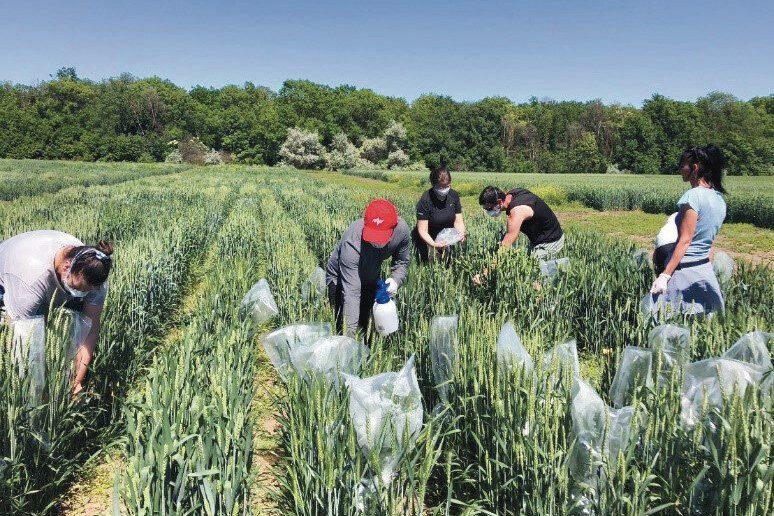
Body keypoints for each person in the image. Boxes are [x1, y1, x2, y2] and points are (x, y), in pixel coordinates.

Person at [0, 230, 113, 396]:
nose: (81, 294)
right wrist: (36, 394)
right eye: (76, 288)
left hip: (48, 278)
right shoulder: (30, 282)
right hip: (9, 276)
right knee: (17, 341)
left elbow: (90, 330)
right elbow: (24, 344)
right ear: (66, 267)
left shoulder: (93, 277)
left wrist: (76, 382)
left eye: (86, 291)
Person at [650, 145, 727, 315]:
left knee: (666, 324)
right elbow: (709, 240)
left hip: (684, 271)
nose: (680, 168)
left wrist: (665, 276)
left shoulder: (692, 197)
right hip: (704, 270)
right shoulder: (719, 198)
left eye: (683, 164)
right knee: (704, 325)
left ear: (695, 168)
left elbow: (685, 240)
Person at [326, 199, 410, 337]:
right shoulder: (352, 242)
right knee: (344, 324)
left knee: (367, 326)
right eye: (373, 234)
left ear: (393, 228)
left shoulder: (401, 231)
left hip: (371, 275)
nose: (376, 241)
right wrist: (349, 341)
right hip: (341, 278)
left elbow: (402, 262)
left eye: (381, 235)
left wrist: (396, 280)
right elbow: (351, 294)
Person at [473, 186, 564, 284]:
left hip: (550, 241)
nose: (488, 212)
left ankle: (552, 288)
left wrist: (485, 274)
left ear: (499, 202)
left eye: (489, 208)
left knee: (538, 279)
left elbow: (506, 246)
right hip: (539, 238)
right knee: (529, 269)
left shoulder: (517, 211)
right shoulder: (511, 194)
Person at [412, 165, 466, 262]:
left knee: (448, 264)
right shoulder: (425, 200)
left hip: (446, 237)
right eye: (441, 187)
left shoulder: (453, 195)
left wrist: (460, 234)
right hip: (428, 239)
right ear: (433, 184)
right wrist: (433, 244)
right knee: (429, 266)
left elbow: (458, 221)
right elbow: (423, 230)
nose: (444, 189)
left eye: (447, 186)